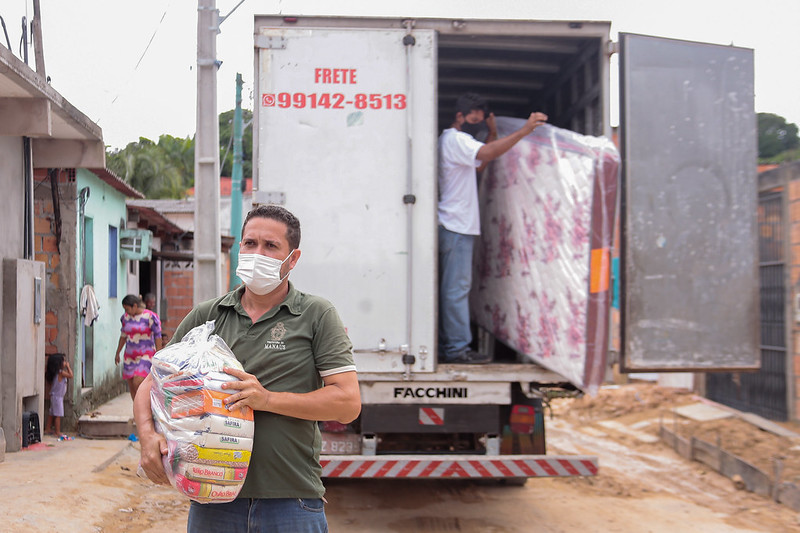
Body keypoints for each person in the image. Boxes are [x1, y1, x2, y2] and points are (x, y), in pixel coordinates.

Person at [134, 204, 361, 533]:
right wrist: (147, 436)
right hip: (212, 498)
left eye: (271, 246)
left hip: (291, 500)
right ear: (239, 248)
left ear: (292, 259)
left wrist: (267, 399)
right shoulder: (208, 315)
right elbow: (151, 383)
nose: (258, 254)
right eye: (250, 243)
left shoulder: (316, 315)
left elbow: (347, 403)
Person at [438, 93, 548, 364]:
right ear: (459, 116)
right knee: (456, 291)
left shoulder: (454, 143)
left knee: (454, 289)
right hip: (456, 225)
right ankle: (456, 349)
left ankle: (450, 344)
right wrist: (524, 131)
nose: (476, 123)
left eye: (481, 119)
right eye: (473, 118)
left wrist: (493, 133)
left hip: (456, 225)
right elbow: (486, 153)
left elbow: (480, 164)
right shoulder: (455, 139)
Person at [115, 294, 163, 401]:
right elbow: (123, 336)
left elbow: (158, 336)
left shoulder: (150, 317)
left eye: (127, 309)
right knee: (132, 386)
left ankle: (146, 405)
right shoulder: (126, 318)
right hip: (130, 356)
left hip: (146, 355)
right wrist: (117, 353)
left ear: (135, 306)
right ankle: (137, 410)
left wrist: (159, 354)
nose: (126, 312)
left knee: (138, 381)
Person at [44, 353, 73, 436]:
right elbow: (71, 375)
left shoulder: (56, 373)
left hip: (55, 396)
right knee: (58, 415)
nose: (65, 362)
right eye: (63, 361)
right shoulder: (60, 373)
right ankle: (57, 431)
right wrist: (68, 367)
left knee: (52, 413)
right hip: (58, 397)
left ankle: (47, 429)